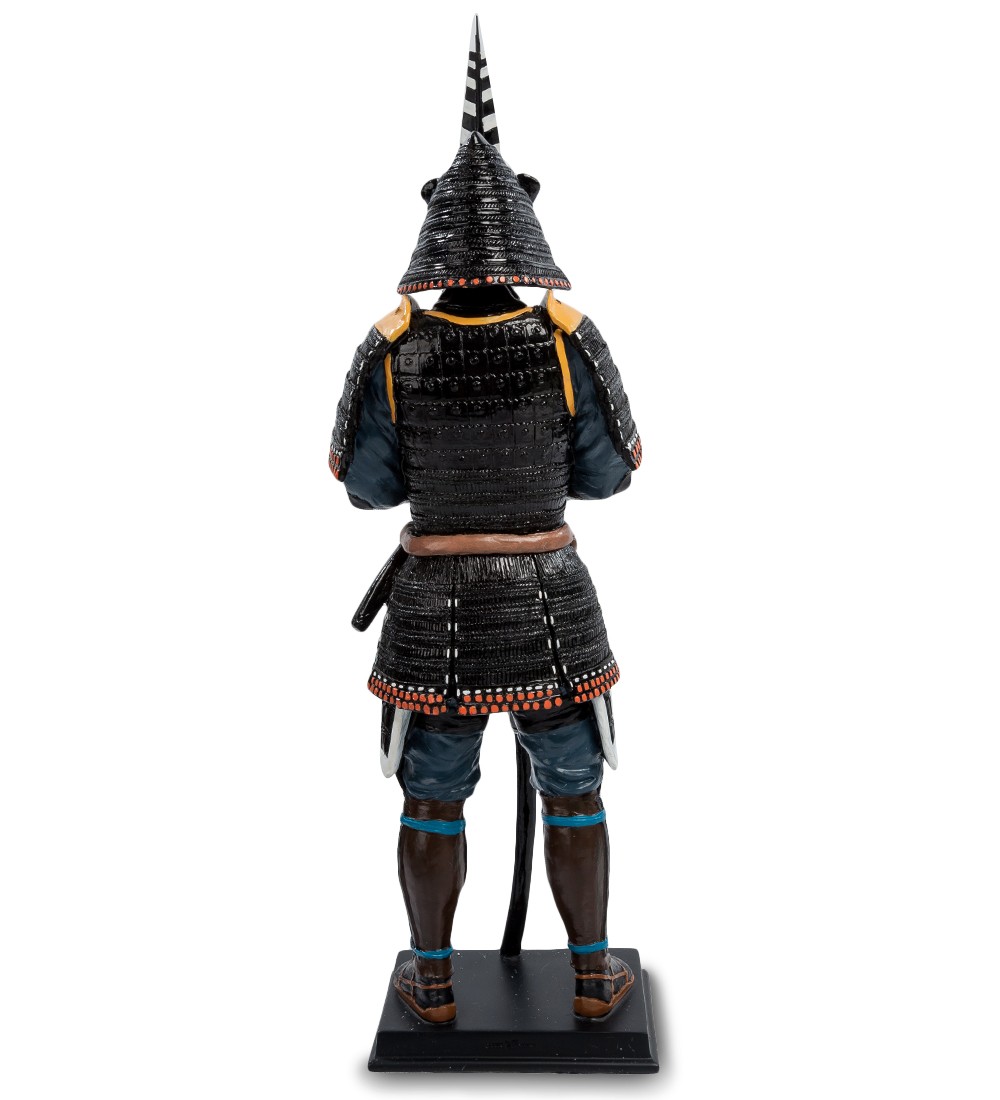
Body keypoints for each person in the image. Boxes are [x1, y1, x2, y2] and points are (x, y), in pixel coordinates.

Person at [329, 17, 641, 1024]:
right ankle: (589, 978)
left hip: (435, 605)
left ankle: (433, 983)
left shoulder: (391, 347)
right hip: (549, 601)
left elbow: (369, 489)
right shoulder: (568, 339)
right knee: (574, 788)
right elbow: (606, 477)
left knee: (432, 794)